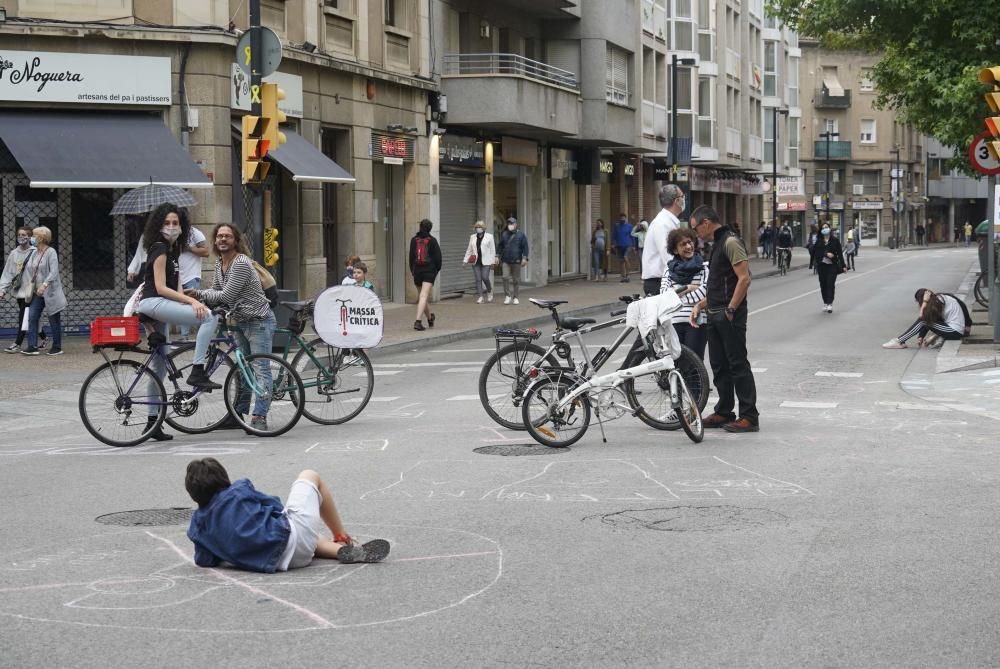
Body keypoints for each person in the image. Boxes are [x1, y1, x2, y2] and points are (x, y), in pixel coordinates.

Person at [185, 458, 390, 573]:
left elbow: (204, 560)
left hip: (280, 562)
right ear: (224, 479)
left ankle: (338, 552)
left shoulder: (198, 526)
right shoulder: (238, 491)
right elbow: (275, 504)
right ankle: (341, 537)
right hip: (290, 537)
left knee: (306, 536)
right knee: (311, 476)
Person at [188, 224, 278, 432]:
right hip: (238, 322)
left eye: (227, 236)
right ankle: (237, 415)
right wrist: (201, 298)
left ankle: (259, 416)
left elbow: (226, 296)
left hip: (258, 321)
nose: (223, 239)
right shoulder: (220, 263)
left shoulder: (240, 263)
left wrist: (199, 294)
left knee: (260, 369)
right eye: (219, 236)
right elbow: (217, 290)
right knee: (242, 370)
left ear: (236, 241)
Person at [688, 205, 759, 433]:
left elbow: (744, 279)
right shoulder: (718, 244)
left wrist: (730, 309)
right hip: (715, 312)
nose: (695, 233)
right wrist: (701, 304)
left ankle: (749, 416)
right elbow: (719, 283)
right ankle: (724, 411)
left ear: (706, 222)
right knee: (719, 365)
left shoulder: (730, 242)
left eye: (695, 228)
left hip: (728, 315)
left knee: (737, 363)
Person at [128, 225, 209, 340]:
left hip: (184, 279)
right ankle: (187, 340)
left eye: (176, 222)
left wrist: (182, 298)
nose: (171, 227)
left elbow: (178, 272)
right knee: (209, 317)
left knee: (161, 348)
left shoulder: (173, 249)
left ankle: (182, 338)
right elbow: (161, 288)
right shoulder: (160, 247)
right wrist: (132, 269)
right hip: (156, 300)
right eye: (167, 223)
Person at [661, 227, 708, 359]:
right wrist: (688, 287)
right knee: (677, 364)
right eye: (683, 244)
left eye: (690, 242)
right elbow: (665, 295)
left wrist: (677, 298)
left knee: (695, 364)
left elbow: (704, 293)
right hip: (673, 323)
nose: (688, 246)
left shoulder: (704, 269)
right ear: (675, 250)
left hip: (697, 322)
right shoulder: (669, 270)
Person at [0, 226, 48, 353]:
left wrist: (43, 286)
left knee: (23, 317)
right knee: (31, 317)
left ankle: (17, 343)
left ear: (30, 237)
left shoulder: (35, 252)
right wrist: (2, 289)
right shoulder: (14, 254)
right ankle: (44, 336)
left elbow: (43, 271)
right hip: (19, 291)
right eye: (19, 235)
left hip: (32, 291)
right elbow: (8, 273)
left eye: (24, 235)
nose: (21, 237)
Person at [19, 226, 66, 356]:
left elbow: (54, 272)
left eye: (34, 236)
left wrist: (44, 285)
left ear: (41, 238)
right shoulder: (34, 252)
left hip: (50, 292)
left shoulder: (51, 252)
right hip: (37, 293)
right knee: (32, 316)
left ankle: (57, 347)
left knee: (53, 319)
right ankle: (32, 346)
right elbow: (30, 270)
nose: (31, 238)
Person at [882, 289, 972, 349]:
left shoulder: (938, 300)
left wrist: (925, 302)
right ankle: (900, 341)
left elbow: (923, 318)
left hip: (955, 331)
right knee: (926, 320)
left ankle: (899, 341)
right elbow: (932, 320)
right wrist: (921, 336)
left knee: (924, 320)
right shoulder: (939, 299)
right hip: (953, 330)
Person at [642, 184, 685, 296]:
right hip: (659, 283)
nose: (684, 199)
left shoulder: (668, 222)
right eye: (682, 196)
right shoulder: (663, 224)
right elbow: (670, 257)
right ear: (677, 200)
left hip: (665, 280)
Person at [409, 219, 442, 330]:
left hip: (417, 272)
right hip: (429, 272)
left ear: (420, 227)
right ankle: (418, 321)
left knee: (422, 297)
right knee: (423, 296)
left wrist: (413, 272)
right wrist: (435, 271)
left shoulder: (414, 240)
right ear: (430, 228)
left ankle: (429, 318)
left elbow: (411, 258)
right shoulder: (432, 240)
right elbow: (438, 259)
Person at [811, 223, 846, 313]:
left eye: (826, 227)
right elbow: (815, 253)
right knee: (823, 285)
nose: (825, 229)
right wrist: (826, 254)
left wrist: (844, 266)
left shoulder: (835, 240)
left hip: (832, 266)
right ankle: (825, 303)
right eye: (823, 228)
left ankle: (830, 303)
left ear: (830, 229)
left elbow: (840, 254)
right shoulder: (819, 241)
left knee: (830, 284)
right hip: (822, 266)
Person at [497, 216, 529, 305]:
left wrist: (525, 258)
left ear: (515, 224)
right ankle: (507, 296)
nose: (509, 225)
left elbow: (525, 247)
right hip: (506, 260)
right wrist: (497, 255)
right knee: (505, 277)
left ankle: (516, 297)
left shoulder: (521, 235)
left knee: (516, 280)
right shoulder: (504, 234)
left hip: (516, 260)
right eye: (508, 223)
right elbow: (500, 246)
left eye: (511, 223)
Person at [463, 220, 495, 304]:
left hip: (486, 261)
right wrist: (465, 260)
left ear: (483, 228)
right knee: (478, 279)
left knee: (485, 277)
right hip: (476, 261)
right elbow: (469, 250)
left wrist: (493, 262)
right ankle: (480, 297)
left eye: (480, 227)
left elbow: (492, 250)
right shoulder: (472, 237)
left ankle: (489, 291)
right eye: (476, 227)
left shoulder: (489, 237)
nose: (478, 228)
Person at [611, 213, 634, 282]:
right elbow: (614, 235)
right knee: (621, 261)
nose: (622, 219)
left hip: (628, 245)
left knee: (625, 258)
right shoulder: (617, 226)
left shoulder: (629, 226)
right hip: (619, 245)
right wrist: (612, 243)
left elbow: (632, 236)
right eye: (621, 218)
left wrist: (633, 246)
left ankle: (628, 274)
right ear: (619, 218)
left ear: (625, 218)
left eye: (623, 218)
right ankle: (623, 276)